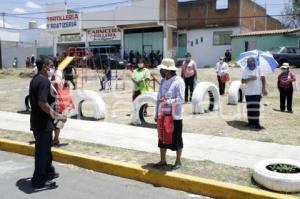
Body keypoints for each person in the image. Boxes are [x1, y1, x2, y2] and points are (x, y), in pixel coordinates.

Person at [29, 57, 66, 188]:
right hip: (43, 123)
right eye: (51, 66)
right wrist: (58, 116)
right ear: (44, 66)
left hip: (37, 121)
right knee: (42, 153)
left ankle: (48, 171)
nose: (53, 68)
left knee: (45, 150)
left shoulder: (35, 79)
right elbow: (42, 102)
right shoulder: (44, 81)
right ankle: (38, 180)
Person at [154, 58, 185, 170]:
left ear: (168, 70)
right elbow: (158, 98)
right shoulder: (163, 81)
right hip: (162, 115)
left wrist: (168, 101)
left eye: (162, 69)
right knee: (162, 138)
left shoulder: (178, 81)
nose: (161, 71)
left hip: (175, 116)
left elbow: (181, 99)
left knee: (176, 138)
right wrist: (156, 113)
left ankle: (178, 161)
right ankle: (163, 160)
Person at [241, 57, 267, 129]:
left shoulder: (259, 69)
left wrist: (264, 88)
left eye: (251, 62)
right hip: (248, 92)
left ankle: (256, 124)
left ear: (254, 62)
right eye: (248, 63)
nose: (250, 64)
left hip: (257, 92)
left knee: (255, 108)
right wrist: (249, 79)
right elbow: (242, 81)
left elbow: (263, 78)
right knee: (249, 108)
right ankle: (250, 122)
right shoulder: (245, 70)